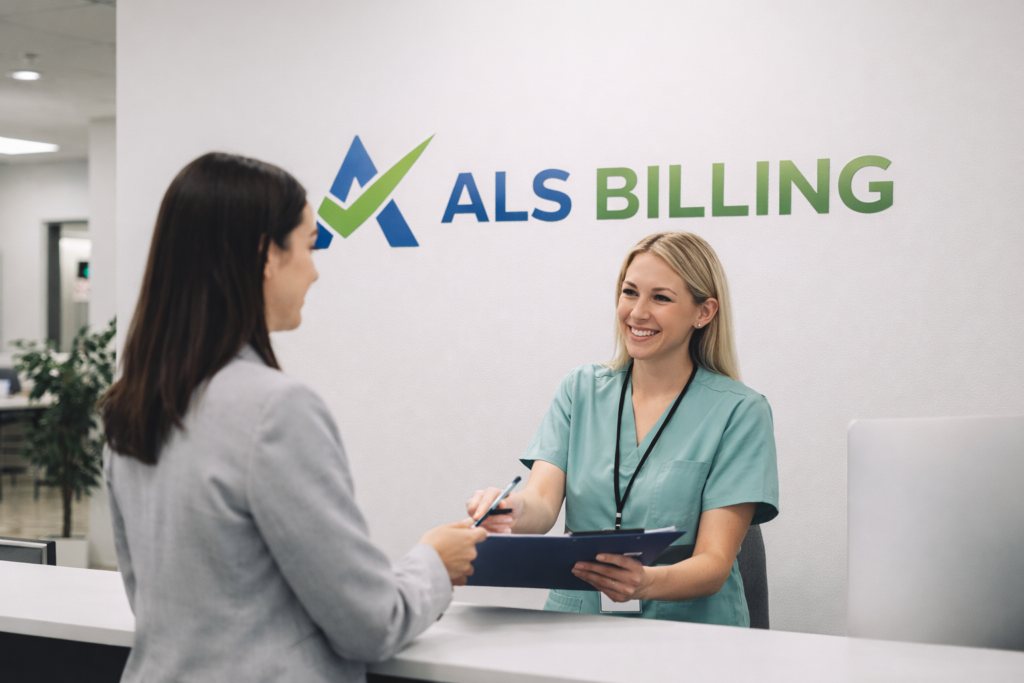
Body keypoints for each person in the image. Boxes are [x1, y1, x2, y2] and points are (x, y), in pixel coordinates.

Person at [102, 152, 486, 682]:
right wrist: (433, 562)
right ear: (266, 254)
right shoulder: (274, 411)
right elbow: (370, 624)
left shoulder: (134, 404)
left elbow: (162, 601)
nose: (316, 270)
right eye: (309, 245)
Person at [467, 232, 778, 626]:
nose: (637, 312)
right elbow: (542, 504)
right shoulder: (580, 390)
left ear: (704, 312)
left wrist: (643, 582)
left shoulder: (740, 411)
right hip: (577, 617)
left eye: (660, 298)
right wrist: (509, 510)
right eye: (630, 292)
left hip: (689, 632)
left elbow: (714, 564)